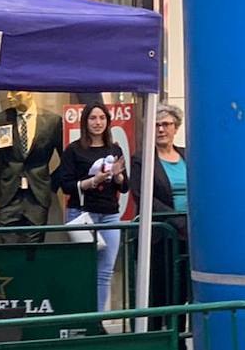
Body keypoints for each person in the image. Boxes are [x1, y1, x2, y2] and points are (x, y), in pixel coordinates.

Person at [55, 103, 127, 311]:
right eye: (93, 118)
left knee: (105, 272)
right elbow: (66, 185)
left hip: (110, 216)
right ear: (85, 122)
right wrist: (93, 181)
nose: (98, 123)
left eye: (102, 118)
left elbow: (124, 187)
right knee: (82, 269)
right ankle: (80, 316)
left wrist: (118, 174)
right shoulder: (74, 150)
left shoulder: (115, 149)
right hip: (82, 214)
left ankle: (98, 319)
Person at [131, 103, 191, 316]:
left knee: (185, 291)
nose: (161, 129)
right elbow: (142, 196)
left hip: (190, 236)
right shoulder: (142, 159)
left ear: (176, 127)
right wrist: (178, 222)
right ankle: (162, 339)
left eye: (166, 124)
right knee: (162, 293)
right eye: (156, 125)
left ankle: (182, 342)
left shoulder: (188, 154)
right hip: (162, 235)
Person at [0, 89, 63, 244]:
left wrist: (51, 184)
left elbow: (65, 159)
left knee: (34, 247)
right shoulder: (1, 120)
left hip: (37, 195)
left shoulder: (52, 121)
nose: (9, 96)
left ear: (30, 92)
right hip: (8, 195)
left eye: (15, 92)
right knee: (8, 247)